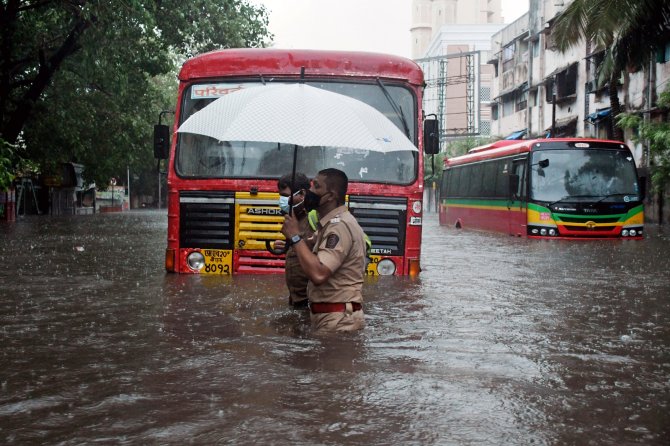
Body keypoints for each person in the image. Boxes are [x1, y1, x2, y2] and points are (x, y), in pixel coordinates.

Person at [281, 168, 367, 332]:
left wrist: (295, 237)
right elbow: (310, 248)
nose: (310, 191)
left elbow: (319, 273)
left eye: (317, 187)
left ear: (331, 196)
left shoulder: (339, 226)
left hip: (338, 321)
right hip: (331, 317)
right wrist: (293, 240)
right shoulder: (328, 224)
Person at [273, 173, 315, 308]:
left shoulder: (314, 217)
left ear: (302, 194)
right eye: (280, 196)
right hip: (296, 298)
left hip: (311, 300)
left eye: (285, 196)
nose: (282, 200)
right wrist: (286, 246)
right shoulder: (292, 218)